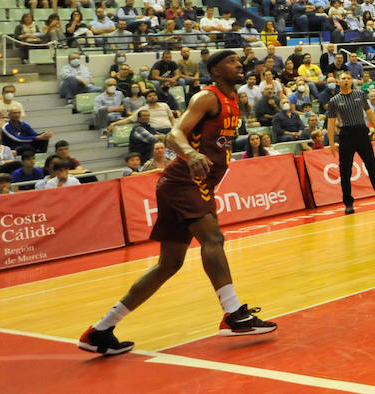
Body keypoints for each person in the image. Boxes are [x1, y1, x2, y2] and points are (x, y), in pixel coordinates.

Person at [78, 49, 276, 355]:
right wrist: (192, 153)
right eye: (232, 62)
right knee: (213, 238)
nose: (240, 65)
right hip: (186, 180)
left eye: (239, 61)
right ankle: (234, 314)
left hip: (189, 184)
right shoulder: (206, 98)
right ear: (216, 71)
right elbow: (174, 134)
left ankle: (100, 330)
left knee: (168, 264)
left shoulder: (234, 99)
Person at [325, 73, 375, 215]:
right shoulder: (334, 100)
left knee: (372, 166)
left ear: (351, 81)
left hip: (362, 133)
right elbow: (331, 122)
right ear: (338, 82)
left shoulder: (360, 94)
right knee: (345, 171)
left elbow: (369, 112)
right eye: (343, 79)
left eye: (348, 78)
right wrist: (332, 142)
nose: (346, 80)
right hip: (346, 134)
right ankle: (348, 203)